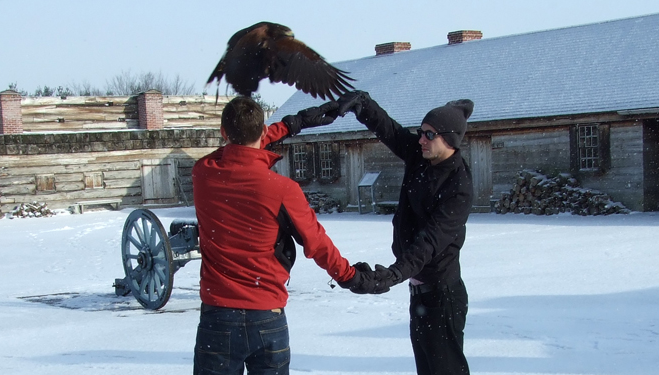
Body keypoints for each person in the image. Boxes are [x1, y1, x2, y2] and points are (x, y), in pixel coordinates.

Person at [191, 96, 375, 374]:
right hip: (267, 315)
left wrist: (290, 125)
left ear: (222, 133)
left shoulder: (203, 172)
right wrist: (350, 276)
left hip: (218, 315)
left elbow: (235, 150)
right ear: (263, 131)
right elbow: (317, 242)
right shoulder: (282, 189)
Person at [333, 91, 475, 375]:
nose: (421, 139)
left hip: (442, 295)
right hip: (420, 292)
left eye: (429, 134)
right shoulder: (421, 156)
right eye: (421, 132)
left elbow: (429, 243)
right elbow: (390, 130)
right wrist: (363, 105)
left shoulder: (458, 186)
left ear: (449, 139)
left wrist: (392, 274)